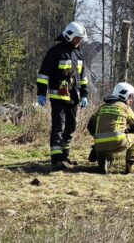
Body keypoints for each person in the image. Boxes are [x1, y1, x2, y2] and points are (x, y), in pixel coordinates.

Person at [36, 21, 90, 170]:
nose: (79, 41)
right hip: (58, 96)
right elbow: (43, 74)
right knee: (58, 126)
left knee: (71, 126)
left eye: (80, 38)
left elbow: (83, 77)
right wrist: (41, 93)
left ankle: (65, 155)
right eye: (77, 38)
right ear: (69, 35)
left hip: (74, 97)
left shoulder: (79, 54)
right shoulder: (55, 52)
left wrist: (84, 94)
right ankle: (56, 159)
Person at [86, 82, 134, 175]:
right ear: (124, 95)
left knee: (105, 144)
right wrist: (126, 131)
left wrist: (98, 137)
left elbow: (90, 126)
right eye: (130, 97)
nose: (131, 100)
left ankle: (104, 162)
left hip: (99, 145)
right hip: (118, 142)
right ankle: (131, 166)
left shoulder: (102, 107)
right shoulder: (125, 108)